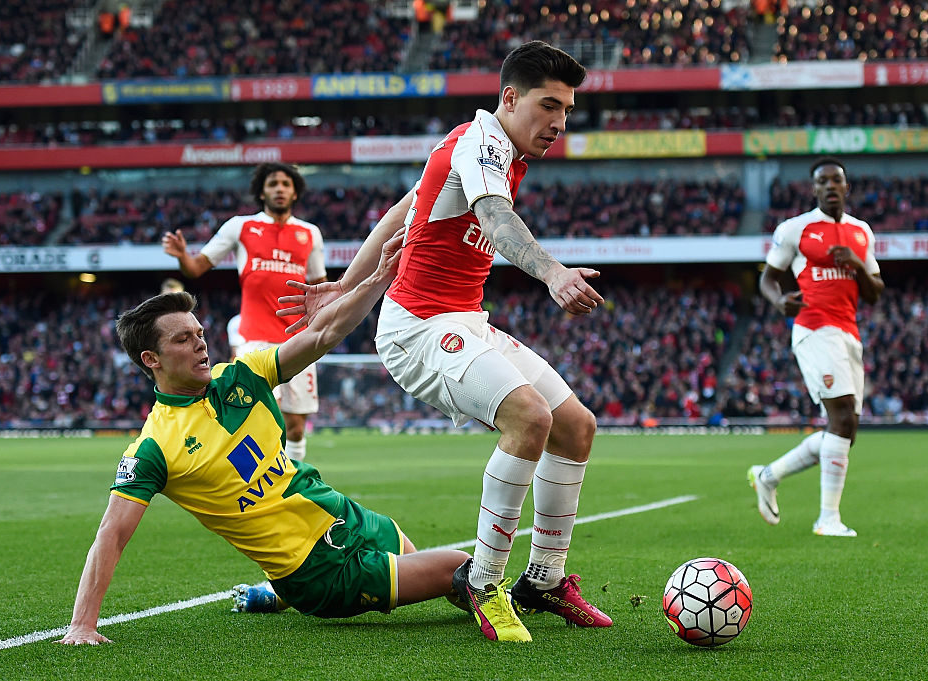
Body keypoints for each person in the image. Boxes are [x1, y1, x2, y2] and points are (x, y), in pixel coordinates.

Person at [278, 41, 610, 642]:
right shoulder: (483, 142)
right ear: (509, 98)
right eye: (549, 105)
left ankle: (544, 579)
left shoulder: (481, 147)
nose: (560, 122)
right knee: (529, 418)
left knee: (575, 426)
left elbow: (403, 211)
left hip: (461, 319)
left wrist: (346, 284)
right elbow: (495, 217)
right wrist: (554, 273)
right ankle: (482, 584)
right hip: (419, 327)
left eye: (567, 109)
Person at [57, 232, 471, 645]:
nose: (200, 344)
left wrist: (378, 278)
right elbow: (111, 533)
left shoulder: (242, 374)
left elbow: (322, 336)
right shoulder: (153, 449)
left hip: (340, 511)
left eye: (199, 333)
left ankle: (270, 597)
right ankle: (525, 594)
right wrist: (82, 625)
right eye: (182, 339)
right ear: (152, 360)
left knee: (445, 576)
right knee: (462, 566)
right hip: (314, 572)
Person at [748, 157, 884, 538]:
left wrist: (857, 264)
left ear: (846, 187)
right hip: (813, 329)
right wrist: (778, 302)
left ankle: (768, 475)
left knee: (846, 429)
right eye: (822, 182)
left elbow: (875, 293)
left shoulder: (861, 232)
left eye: (835, 181)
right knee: (842, 417)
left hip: (848, 334)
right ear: (813, 189)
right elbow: (769, 279)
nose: (829, 187)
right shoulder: (796, 229)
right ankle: (828, 519)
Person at [162, 163, 325, 462]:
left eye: (286, 184)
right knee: (263, 418)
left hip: (297, 339)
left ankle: (296, 481)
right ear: (262, 191)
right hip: (255, 339)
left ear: (295, 192)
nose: (279, 189)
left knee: (296, 427)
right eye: (273, 183)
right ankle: (259, 483)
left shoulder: (310, 234)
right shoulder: (241, 226)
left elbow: (319, 287)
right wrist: (183, 256)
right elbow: (197, 267)